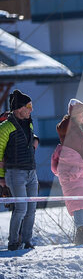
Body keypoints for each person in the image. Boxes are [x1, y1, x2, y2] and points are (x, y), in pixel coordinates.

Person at [53, 99, 83, 244]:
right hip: (72, 167)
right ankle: (80, 231)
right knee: (78, 201)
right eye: (80, 113)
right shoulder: (66, 126)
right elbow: (67, 140)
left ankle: (82, 231)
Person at [1, 90, 40, 251]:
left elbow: (29, 138)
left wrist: (35, 139)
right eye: (28, 106)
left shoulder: (29, 123)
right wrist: (1, 177)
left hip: (31, 171)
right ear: (18, 108)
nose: (31, 109)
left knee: (31, 209)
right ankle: (13, 243)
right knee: (21, 208)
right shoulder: (5, 127)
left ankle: (27, 241)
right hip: (15, 173)